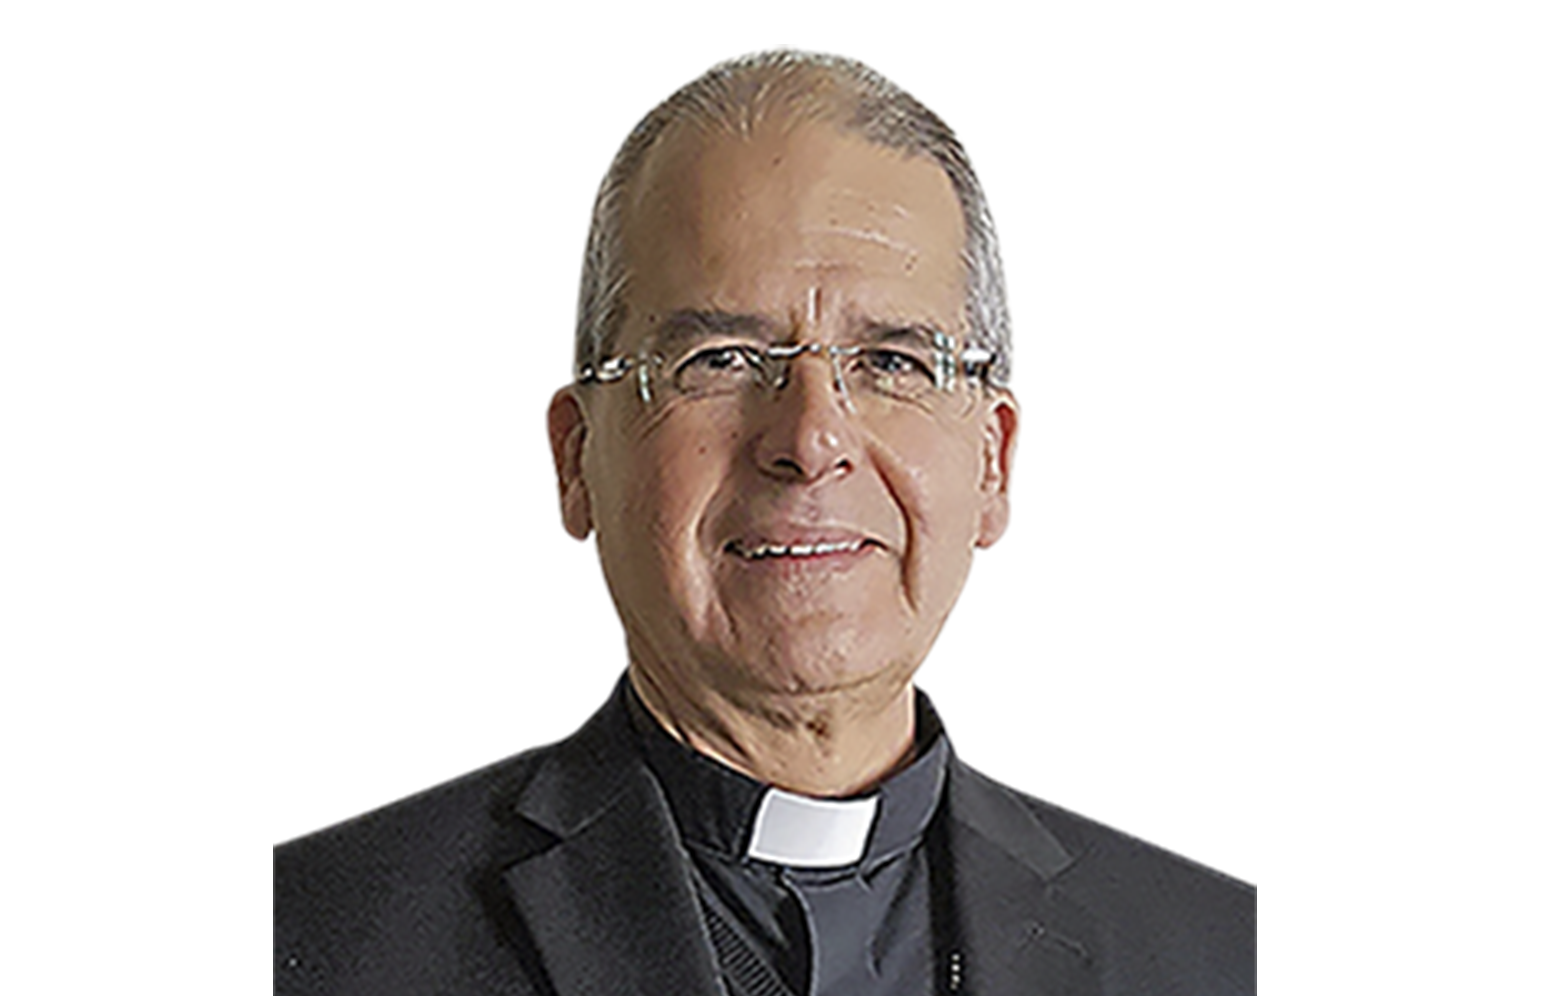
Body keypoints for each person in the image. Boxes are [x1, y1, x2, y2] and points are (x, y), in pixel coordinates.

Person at [275, 53, 1254, 996]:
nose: (811, 439)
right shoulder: (303, 947)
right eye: (721, 359)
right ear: (577, 458)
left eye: (893, 362)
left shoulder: (1227, 959)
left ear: (992, 463)